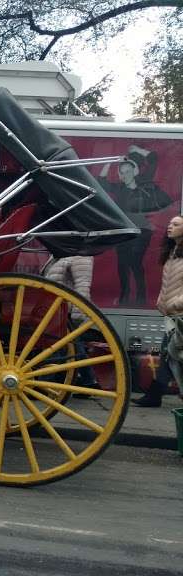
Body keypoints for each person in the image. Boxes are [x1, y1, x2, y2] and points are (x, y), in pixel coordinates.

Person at [98, 145, 170, 307]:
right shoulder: (119, 188)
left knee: (135, 262)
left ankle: (141, 298)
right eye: (121, 173)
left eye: (128, 171)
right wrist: (111, 161)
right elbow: (101, 182)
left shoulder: (144, 182)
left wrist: (138, 149)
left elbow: (153, 159)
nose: (125, 175)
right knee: (122, 265)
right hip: (124, 231)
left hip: (142, 231)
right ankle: (124, 298)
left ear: (135, 171)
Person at [133, 215, 183, 407]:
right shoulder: (172, 252)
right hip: (172, 314)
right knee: (170, 354)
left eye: (176, 224)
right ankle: (155, 395)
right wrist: (162, 301)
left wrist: (175, 303)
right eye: (170, 223)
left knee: (170, 353)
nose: (170, 226)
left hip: (179, 313)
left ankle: (154, 395)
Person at [43, 255, 97, 390]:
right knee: (74, 346)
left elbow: (82, 287)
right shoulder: (60, 255)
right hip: (58, 309)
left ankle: (45, 382)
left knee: (55, 345)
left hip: (66, 310)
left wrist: (78, 314)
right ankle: (89, 381)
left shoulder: (80, 257)